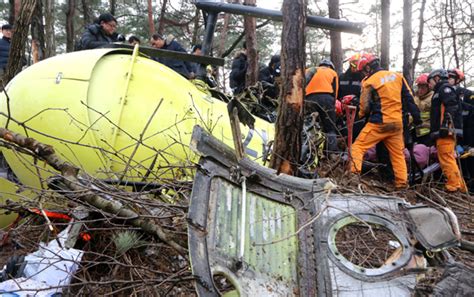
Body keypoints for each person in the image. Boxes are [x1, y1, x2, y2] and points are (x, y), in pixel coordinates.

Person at [350, 54, 421, 189]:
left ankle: (353, 175)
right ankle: (401, 184)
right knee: (398, 154)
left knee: (357, 147)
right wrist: (417, 118)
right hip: (397, 123)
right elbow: (409, 98)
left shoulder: (369, 81)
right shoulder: (397, 76)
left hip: (379, 122)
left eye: (363, 70)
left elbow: (364, 106)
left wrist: (360, 115)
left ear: (368, 67)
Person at [428, 69, 466, 192]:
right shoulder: (441, 90)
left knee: (446, 157)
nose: (429, 85)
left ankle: (453, 186)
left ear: (437, 78)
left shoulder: (445, 89)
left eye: (430, 82)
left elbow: (452, 106)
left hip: (446, 131)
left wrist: (445, 125)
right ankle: (461, 188)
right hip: (444, 130)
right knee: (449, 158)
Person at [305, 59, 339, 152]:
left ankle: (307, 150)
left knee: (308, 125)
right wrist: (333, 105)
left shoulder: (308, 70)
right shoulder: (333, 72)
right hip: (326, 98)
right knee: (330, 128)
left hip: (308, 99)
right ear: (331, 67)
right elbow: (335, 91)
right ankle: (331, 153)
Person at [413, 73, 434, 146]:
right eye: (419, 87)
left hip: (427, 132)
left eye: (423, 88)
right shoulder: (415, 97)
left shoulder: (433, 98)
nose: (420, 90)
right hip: (415, 131)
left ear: (429, 87)